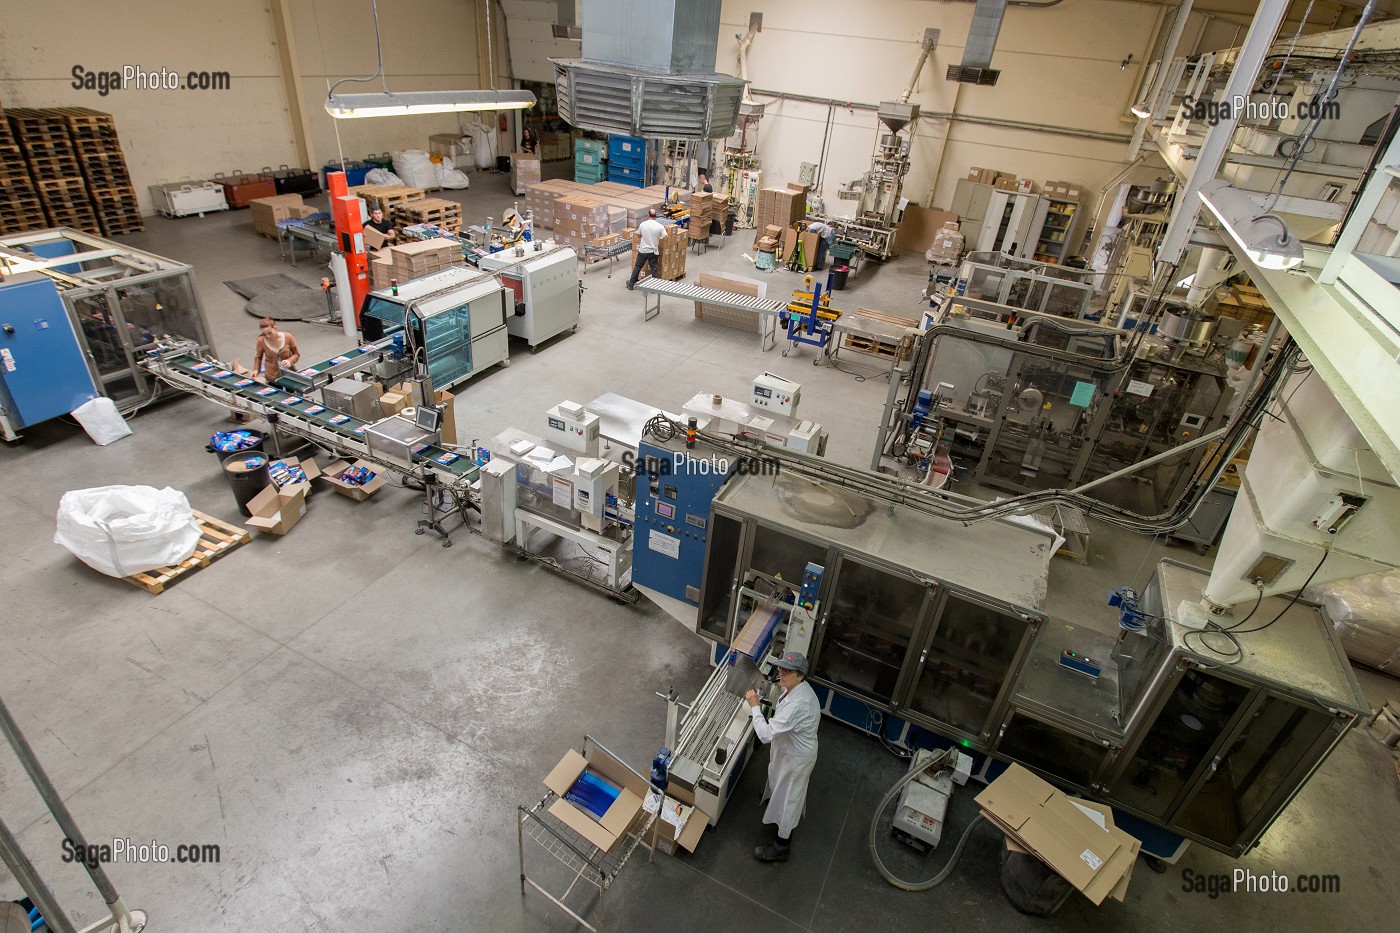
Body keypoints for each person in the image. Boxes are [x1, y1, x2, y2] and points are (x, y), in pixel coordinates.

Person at [745, 651, 820, 862]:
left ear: (801, 675)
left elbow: (766, 734)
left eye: (788, 672)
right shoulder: (797, 689)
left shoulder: (799, 703)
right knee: (778, 779)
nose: (782, 674)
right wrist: (780, 686)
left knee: (789, 798)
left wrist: (755, 708)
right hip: (788, 751)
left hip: (796, 758)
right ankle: (771, 800)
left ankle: (781, 846)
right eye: (781, 669)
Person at [626, 208, 667, 291]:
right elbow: (666, 238)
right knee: (654, 270)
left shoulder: (643, 224)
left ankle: (631, 284)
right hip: (653, 252)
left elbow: (638, 235)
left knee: (637, 267)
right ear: (656, 216)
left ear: (648, 215)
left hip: (643, 251)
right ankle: (654, 288)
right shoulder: (660, 226)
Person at [253, 317, 300, 383]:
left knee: (291, 392)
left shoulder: (288, 337)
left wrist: (290, 361)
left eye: (270, 333)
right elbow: (258, 357)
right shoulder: (261, 341)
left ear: (275, 327)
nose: (268, 336)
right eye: (264, 334)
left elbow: (296, 354)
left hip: (289, 374)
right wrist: (256, 370)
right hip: (271, 376)